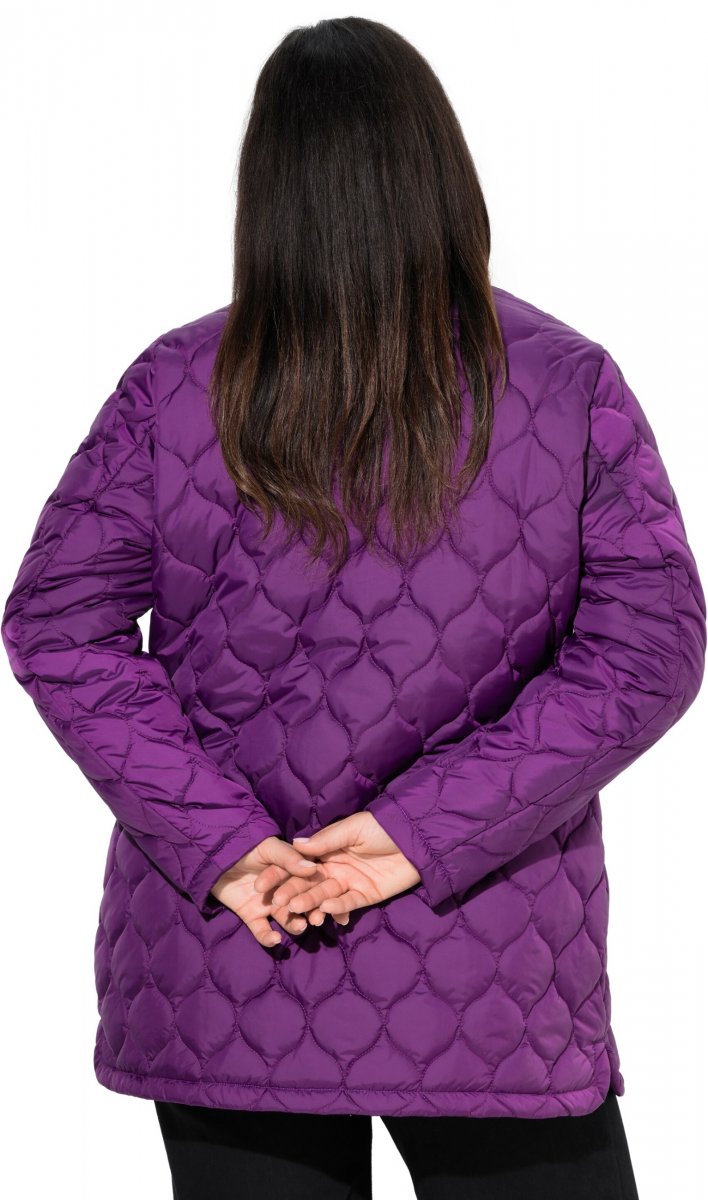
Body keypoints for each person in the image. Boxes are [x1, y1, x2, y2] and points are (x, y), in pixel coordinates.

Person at [3, 15, 705, 1200]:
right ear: (442, 173)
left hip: (235, 949)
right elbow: (646, 652)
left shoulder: (175, 385)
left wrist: (226, 845)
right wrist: (417, 836)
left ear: (268, 191)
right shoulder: (564, 384)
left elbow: (60, 629)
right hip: (490, 966)